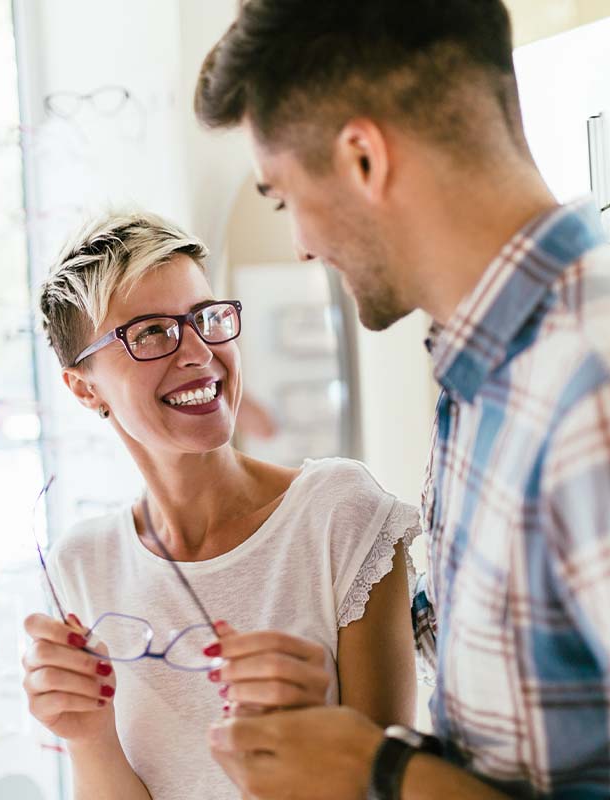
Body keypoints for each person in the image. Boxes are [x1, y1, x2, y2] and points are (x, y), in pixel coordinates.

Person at [193, 1, 610, 798]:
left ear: (364, 159)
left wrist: (379, 773)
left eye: (283, 197)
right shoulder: (489, 386)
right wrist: (348, 738)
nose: (302, 243)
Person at [21, 210, 421, 799]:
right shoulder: (82, 565)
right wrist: (86, 736)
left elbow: (392, 789)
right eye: (152, 331)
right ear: (84, 388)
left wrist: (309, 746)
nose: (198, 352)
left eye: (206, 318)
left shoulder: (340, 516)